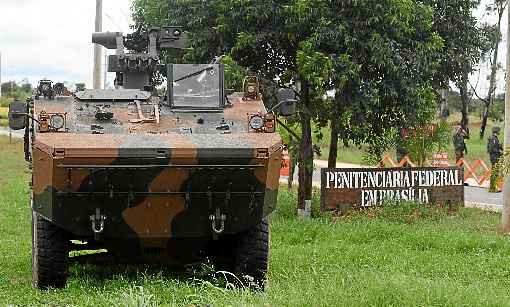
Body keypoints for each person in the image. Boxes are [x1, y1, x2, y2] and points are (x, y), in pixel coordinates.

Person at [487, 126, 503, 192]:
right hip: (494, 157)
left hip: (496, 157)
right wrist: (499, 151)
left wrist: (500, 146)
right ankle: (492, 188)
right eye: (498, 131)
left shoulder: (495, 138)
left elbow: (496, 146)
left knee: (495, 172)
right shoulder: (492, 138)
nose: (499, 132)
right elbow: (491, 149)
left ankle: (494, 187)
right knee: (494, 172)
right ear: (496, 131)